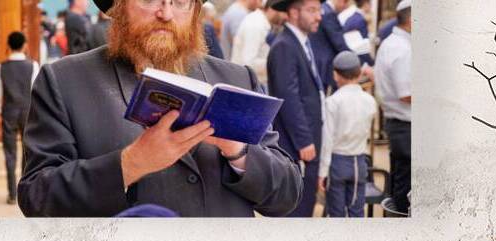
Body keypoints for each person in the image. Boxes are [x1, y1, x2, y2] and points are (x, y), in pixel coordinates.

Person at [18, 0, 302, 217]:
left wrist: (238, 152)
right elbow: (37, 198)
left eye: (180, 1)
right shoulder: (65, 81)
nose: (166, 14)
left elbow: (287, 195)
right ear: (118, 7)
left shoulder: (237, 80)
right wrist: (130, 164)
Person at [267, 0, 324, 217]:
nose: (318, 16)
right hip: (297, 146)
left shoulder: (302, 43)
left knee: (306, 205)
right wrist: (304, 140)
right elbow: (288, 96)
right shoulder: (284, 46)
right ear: (293, 12)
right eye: (312, 10)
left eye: (318, 10)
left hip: (306, 141)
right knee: (297, 211)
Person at [318, 51, 375, 217]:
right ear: (359, 73)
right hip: (359, 161)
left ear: (336, 75)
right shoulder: (369, 101)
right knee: (357, 212)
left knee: (336, 214)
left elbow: (327, 140)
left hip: (337, 162)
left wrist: (322, 173)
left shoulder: (332, 102)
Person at [0, 31, 40, 204]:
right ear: (25, 45)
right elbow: (37, 91)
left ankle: (12, 194)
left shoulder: (1, 67)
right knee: (29, 153)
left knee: (9, 152)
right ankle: (24, 191)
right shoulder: (33, 65)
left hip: (9, 112)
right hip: (28, 112)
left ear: (8, 46)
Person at [375, 0, 411, 216]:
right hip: (406, 127)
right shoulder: (402, 49)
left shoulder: (391, 43)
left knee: (400, 183)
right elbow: (406, 93)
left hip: (399, 126)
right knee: (404, 191)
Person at [231, 0, 284, 91]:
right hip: (246, 86)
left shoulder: (261, 23)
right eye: (283, 11)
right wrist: (276, 62)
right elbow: (248, 62)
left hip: (252, 84)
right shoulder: (255, 25)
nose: (286, 17)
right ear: (272, 9)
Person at [308, 0, 349, 90]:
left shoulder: (323, 9)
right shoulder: (328, 13)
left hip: (317, 61)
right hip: (325, 66)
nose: (345, 7)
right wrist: (355, 59)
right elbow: (339, 43)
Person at [340, 0, 373, 66]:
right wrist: (371, 63)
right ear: (366, 4)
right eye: (370, 4)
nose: (371, 7)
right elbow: (363, 47)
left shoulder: (350, 18)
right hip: (358, 60)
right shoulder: (360, 20)